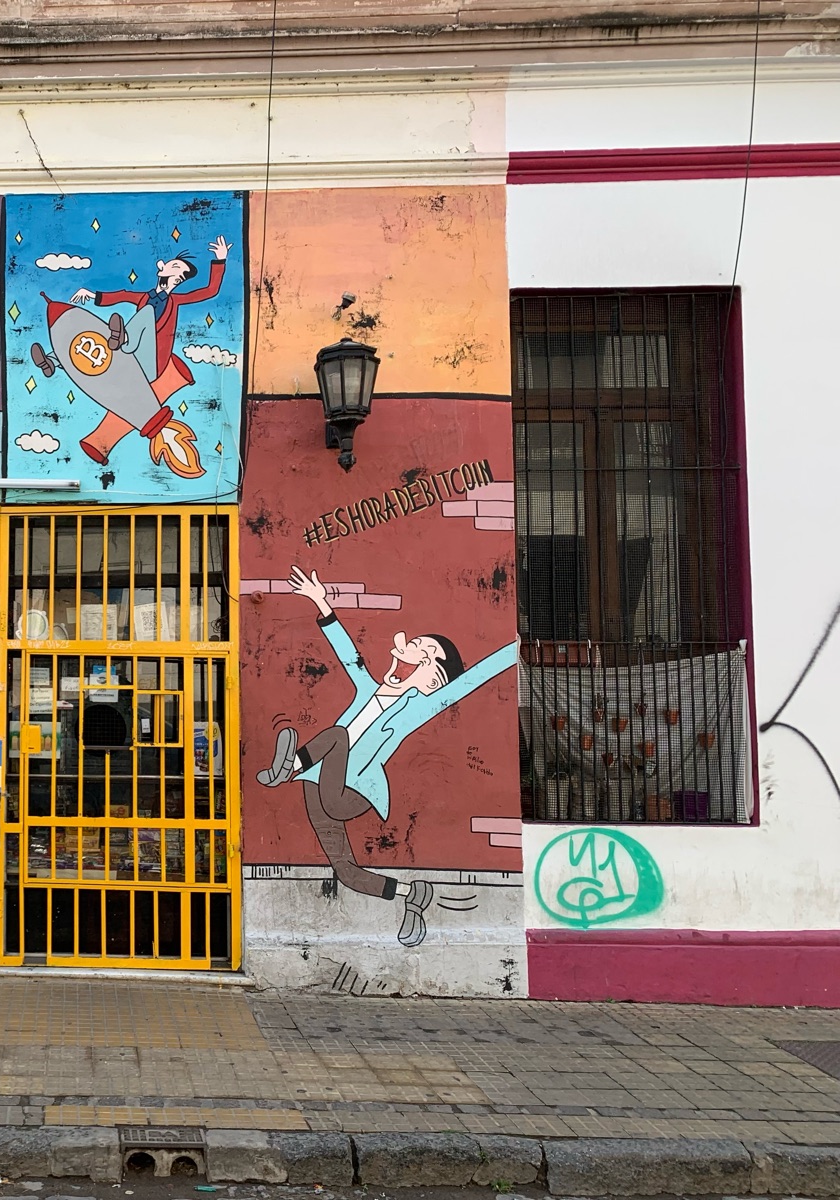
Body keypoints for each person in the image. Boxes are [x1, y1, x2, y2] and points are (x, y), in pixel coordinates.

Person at [256, 566, 517, 947]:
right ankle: (413, 895)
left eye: (424, 653)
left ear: (433, 681)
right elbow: (348, 654)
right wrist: (321, 602)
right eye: (417, 643)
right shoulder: (368, 689)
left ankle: (288, 767)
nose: (411, 648)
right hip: (319, 783)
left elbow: (466, 683)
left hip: (352, 792)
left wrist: (512, 650)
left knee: (337, 736)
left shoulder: (417, 707)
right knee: (347, 872)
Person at [30, 237, 231, 476]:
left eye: (180, 276)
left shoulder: (174, 301)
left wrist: (220, 260)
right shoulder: (143, 296)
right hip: (126, 360)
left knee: (143, 316)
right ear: (161, 267)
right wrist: (92, 295)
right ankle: (52, 362)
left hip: (149, 364)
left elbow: (209, 291)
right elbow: (122, 295)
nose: (176, 277)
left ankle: (121, 339)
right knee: (87, 346)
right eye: (175, 268)